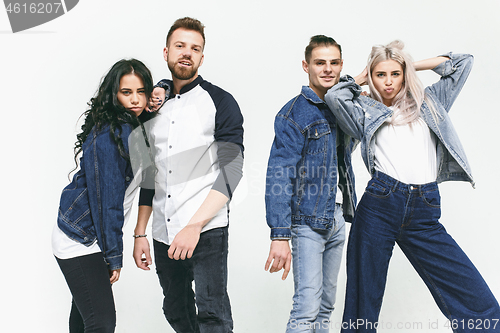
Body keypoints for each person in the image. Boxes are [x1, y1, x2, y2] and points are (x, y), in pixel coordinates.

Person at [325, 40, 500, 332]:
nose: (389, 82)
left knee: (478, 302)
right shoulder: (364, 110)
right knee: (362, 305)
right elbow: (335, 95)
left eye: (395, 74)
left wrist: (410, 65)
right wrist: (364, 74)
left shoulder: (430, 102)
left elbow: (462, 62)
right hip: (379, 205)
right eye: (381, 75)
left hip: (424, 209)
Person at [132, 17, 244, 333]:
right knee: (175, 309)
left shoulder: (220, 101)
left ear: (202, 57)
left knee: (212, 315)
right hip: (161, 230)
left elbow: (232, 171)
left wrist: (194, 226)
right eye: (180, 46)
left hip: (206, 229)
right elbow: (148, 175)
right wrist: (140, 232)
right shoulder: (152, 106)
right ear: (166, 51)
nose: (187, 53)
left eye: (194, 48)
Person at [53, 59, 154, 332]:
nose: (135, 99)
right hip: (81, 237)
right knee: (101, 324)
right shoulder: (112, 133)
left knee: (86, 319)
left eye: (141, 91)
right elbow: (106, 203)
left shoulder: (134, 127)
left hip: (90, 233)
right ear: (114, 95)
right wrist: (113, 256)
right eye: (126, 92)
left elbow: (147, 182)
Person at [264, 35, 357, 332]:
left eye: (334, 63)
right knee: (306, 308)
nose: (327, 69)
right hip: (306, 224)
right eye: (320, 63)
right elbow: (278, 175)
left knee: (326, 308)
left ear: (341, 65)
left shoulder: (341, 107)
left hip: (336, 219)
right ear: (306, 66)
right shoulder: (294, 114)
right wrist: (280, 235)